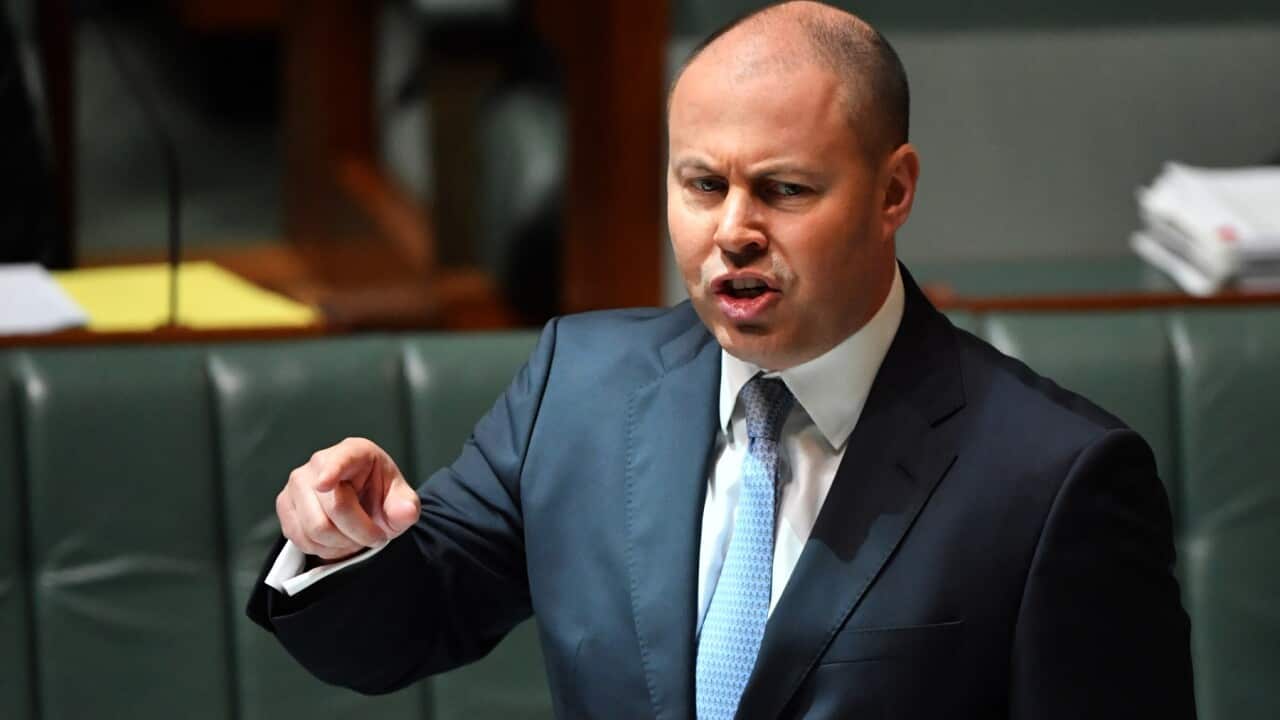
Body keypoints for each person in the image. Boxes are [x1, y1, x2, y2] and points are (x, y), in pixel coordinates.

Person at [248, 2, 1195, 717]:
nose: (732, 231)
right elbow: (403, 627)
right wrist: (340, 541)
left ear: (893, 190)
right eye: (702, 184)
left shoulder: (1054, 479)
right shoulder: (577, 385)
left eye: (784, 190)